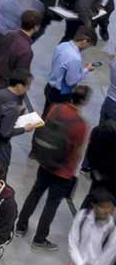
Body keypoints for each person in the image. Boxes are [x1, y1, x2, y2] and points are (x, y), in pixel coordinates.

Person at [19, 86, 94, 248]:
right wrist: (71, 169)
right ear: (85, 102)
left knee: (35, 192)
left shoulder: (56, 108)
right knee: (51, 204)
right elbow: (78, 151)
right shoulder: (81, 125)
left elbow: (44, 127)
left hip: (45, 162)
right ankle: (39, 238)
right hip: (63, 170)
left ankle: (20, 226)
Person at [50, 30, 98, 105]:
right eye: (89, 46)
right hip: (60, 94)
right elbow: (71, 82)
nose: (87, 49)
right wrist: (86, 69)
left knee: (47, 112)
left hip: (50, 86)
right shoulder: (75, 58)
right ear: (85, 41)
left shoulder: (63, 45)